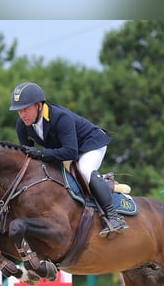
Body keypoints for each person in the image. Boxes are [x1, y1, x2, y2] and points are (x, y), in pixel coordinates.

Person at [9, 81, 127, 238]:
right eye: (19, 111)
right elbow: (28, 156)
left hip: (90, 144)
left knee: (85, 170)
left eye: (25, 109)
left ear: (38, 105)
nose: (22, 114)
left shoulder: (60, 117)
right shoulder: (22, 125)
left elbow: (71, 152)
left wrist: (42, 154)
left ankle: (114, 217)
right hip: (66, 149)